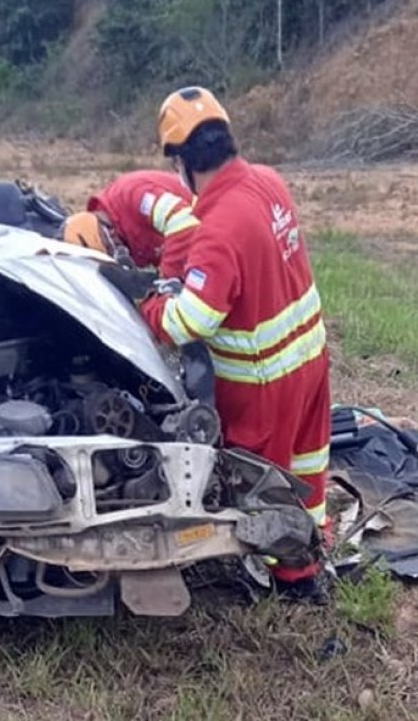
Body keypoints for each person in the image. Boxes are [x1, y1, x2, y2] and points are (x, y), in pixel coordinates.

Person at [138, 87, 332, 598]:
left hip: (263, 382)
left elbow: (192, 321)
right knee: (308, 465)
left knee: (263, 481)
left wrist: (150, 307)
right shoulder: (269, 182)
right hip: (310, 359)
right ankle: (313, 551)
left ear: (180, 162)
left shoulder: (219, 226)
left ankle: (286, 578)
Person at [62, 170, 198, 278]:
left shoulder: (131, 195)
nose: (118, 253)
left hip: (206, 224)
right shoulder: (123, 236)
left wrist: (167, 279)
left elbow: (185, 221)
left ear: (107, 231)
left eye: (111, 248)